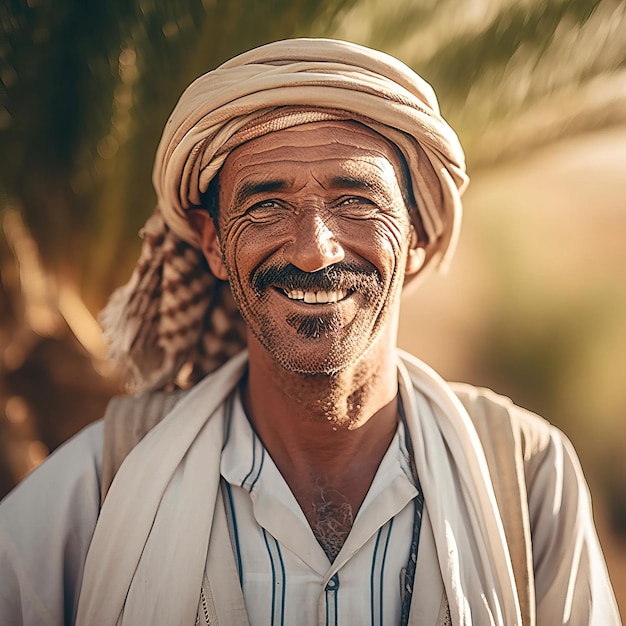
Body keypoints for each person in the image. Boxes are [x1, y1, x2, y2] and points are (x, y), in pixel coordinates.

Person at [0, 38, 620, 626]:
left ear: (415, 237)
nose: (314, 251)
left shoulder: (524, 474)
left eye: (355, 200)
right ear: (214, 242)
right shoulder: (103, 486)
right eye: (267, 205)